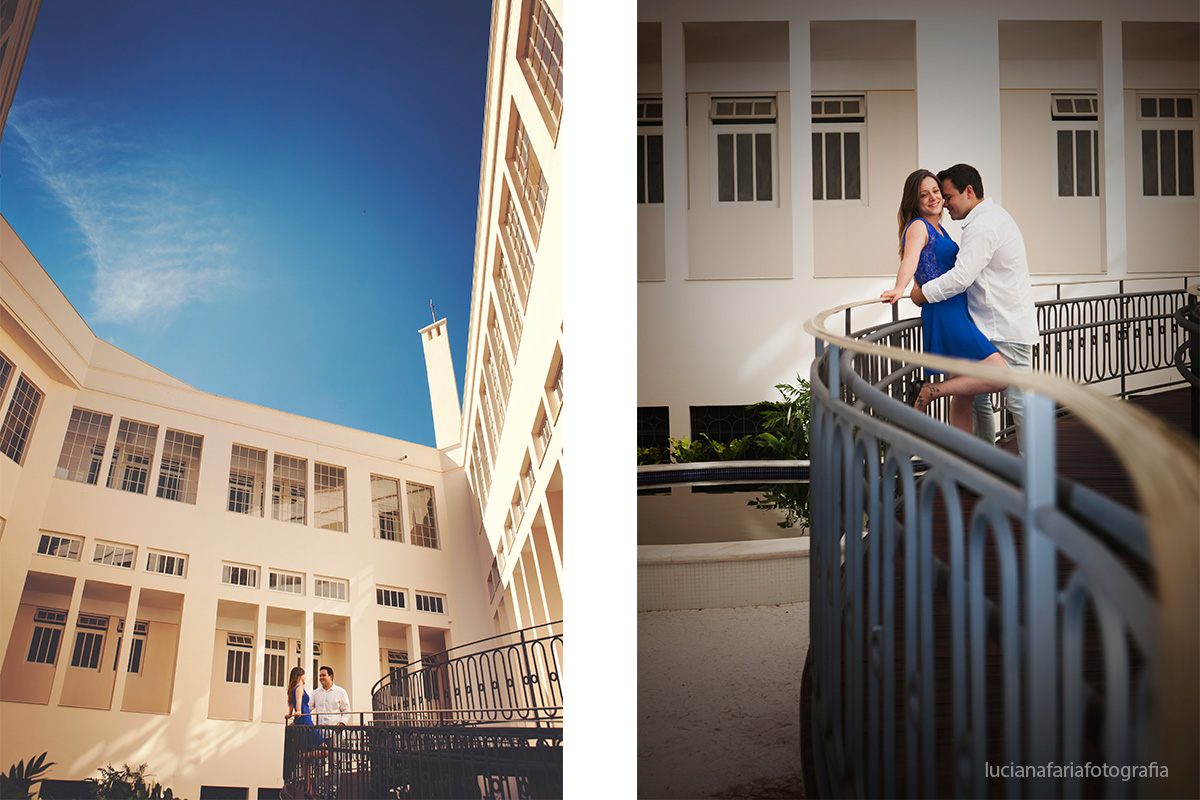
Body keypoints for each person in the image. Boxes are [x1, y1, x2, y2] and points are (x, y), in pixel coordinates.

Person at [909, 163, 1040, 448]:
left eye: (947, 196)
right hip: (986, 324)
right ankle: (984, 466)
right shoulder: (987, 219)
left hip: (1004, 327)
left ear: (968, 192)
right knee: (978, 401)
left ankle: (1032, 477)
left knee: (1019, 403)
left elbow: (961, 277)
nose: (944, 203)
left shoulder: (983, 225)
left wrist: (921, 295)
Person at [881, 168, 1010, 434]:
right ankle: (931, 390)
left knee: (963, 393)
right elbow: (910, 259)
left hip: (955, 307)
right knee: (1000, 374)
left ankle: (960, 459)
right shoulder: (918, 226)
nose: (932, 198)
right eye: (923, 195)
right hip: (946, 311)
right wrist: (899, 287)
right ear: (913, 201)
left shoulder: (940, 229)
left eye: (936, 192)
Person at [284, 666, 318, 794]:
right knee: (324, 750)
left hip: (301, 718)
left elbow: (291, 702)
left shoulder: (293, 689)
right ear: (300, 676)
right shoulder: (299, 688)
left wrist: (290, 714)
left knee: (306, 762)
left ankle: (308, 788)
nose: (305, 678)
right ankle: (300, 755)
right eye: (304, 676)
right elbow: (297, 701)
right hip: (305, 718)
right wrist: (297, 712)